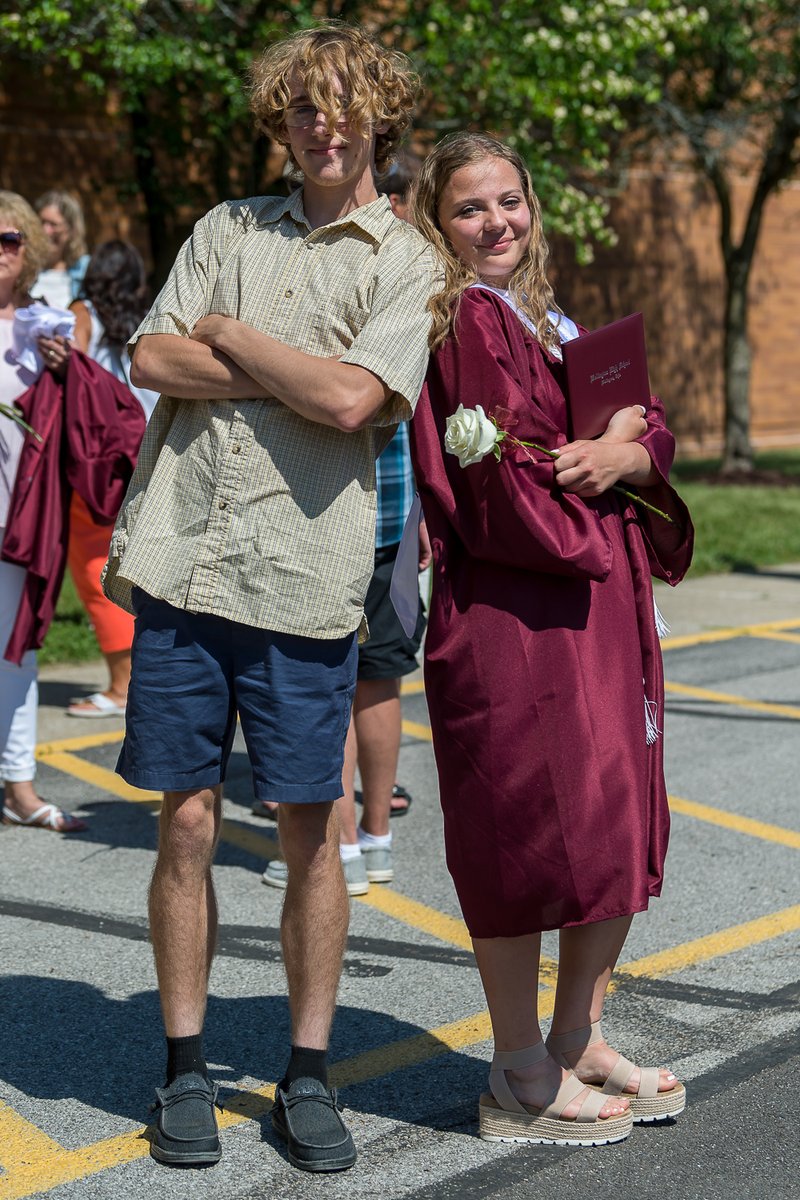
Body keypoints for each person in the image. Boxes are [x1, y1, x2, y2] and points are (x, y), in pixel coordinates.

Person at [102, 22, 436, 1173]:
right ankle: (184, 1064)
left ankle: (305, 1074)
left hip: (303, 581)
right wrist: (303, 375)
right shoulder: (223, 227)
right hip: (188, 560)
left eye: (344, 105)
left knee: (311, 835)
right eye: (303, 106)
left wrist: (236, 335)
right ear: (281, 120)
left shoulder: (408, 260)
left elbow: (356, 402)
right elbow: (150, 361)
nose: (323, 125)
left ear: (376, 117)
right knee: (186, 823)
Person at [409, 133, 694, 1146]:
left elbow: (638, 421)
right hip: (515, 610)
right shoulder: (454, 323)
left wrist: (627, 451)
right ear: (435, 225)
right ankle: (518, 1065)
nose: (497, 223)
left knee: (610, 814)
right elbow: (490, 479)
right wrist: (599, 482)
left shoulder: (547, 313)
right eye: (469, 209)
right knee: (522, 828)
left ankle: (576, 1034)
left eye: (508, 201)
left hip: (594, 606)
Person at [260, 150, 428, 894]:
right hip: (385, 515)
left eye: (396, 195)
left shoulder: (370, 273)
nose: (388, 207)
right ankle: (367, 839)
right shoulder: (423, 278)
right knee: (375, 684)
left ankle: (349, 843)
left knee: (340, 684)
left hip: (342, 515)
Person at [0, 191, 87, 832]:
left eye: (9, 240)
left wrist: (67, 369)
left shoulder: (45, 324)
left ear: (28, 247)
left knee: (17, 650)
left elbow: (83, 416)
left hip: (19, 518)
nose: (0, 252)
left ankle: (19, 788)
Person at [64, 241, 157, 718]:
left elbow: (67, 370)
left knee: (94, 567)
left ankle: (122, 686)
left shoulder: (82, 312)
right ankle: (140, 678)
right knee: (131, 570)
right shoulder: (149, 313)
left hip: (97, 460)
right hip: (145, 454)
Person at [33, 191, 90, 310]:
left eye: (53, 224)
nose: (45, 231)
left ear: (71, 230)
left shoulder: (85, 271)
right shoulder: (23, 268)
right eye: (42, 222)